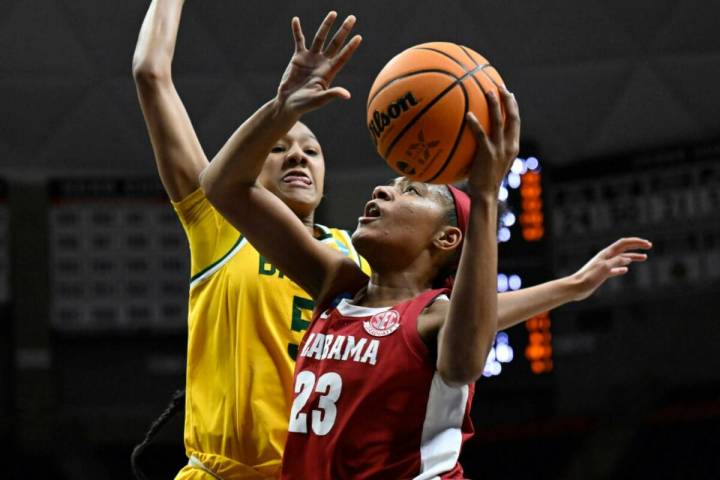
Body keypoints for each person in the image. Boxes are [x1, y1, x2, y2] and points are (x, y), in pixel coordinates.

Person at [200, 11, 651, 479]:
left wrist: (483, 195)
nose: (381, 191)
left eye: (409, 191)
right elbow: (221, 186)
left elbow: (468, 346)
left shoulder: (433, 321)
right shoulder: (339, 285)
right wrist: (282, 110)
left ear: (447, 238)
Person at [131, 2, 369, 479]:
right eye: (279, 148)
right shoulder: (220, 224)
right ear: (251, 165)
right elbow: (150, 73)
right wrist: (278, 111)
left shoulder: (360, 255)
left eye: (312, 151)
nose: (298, 158)